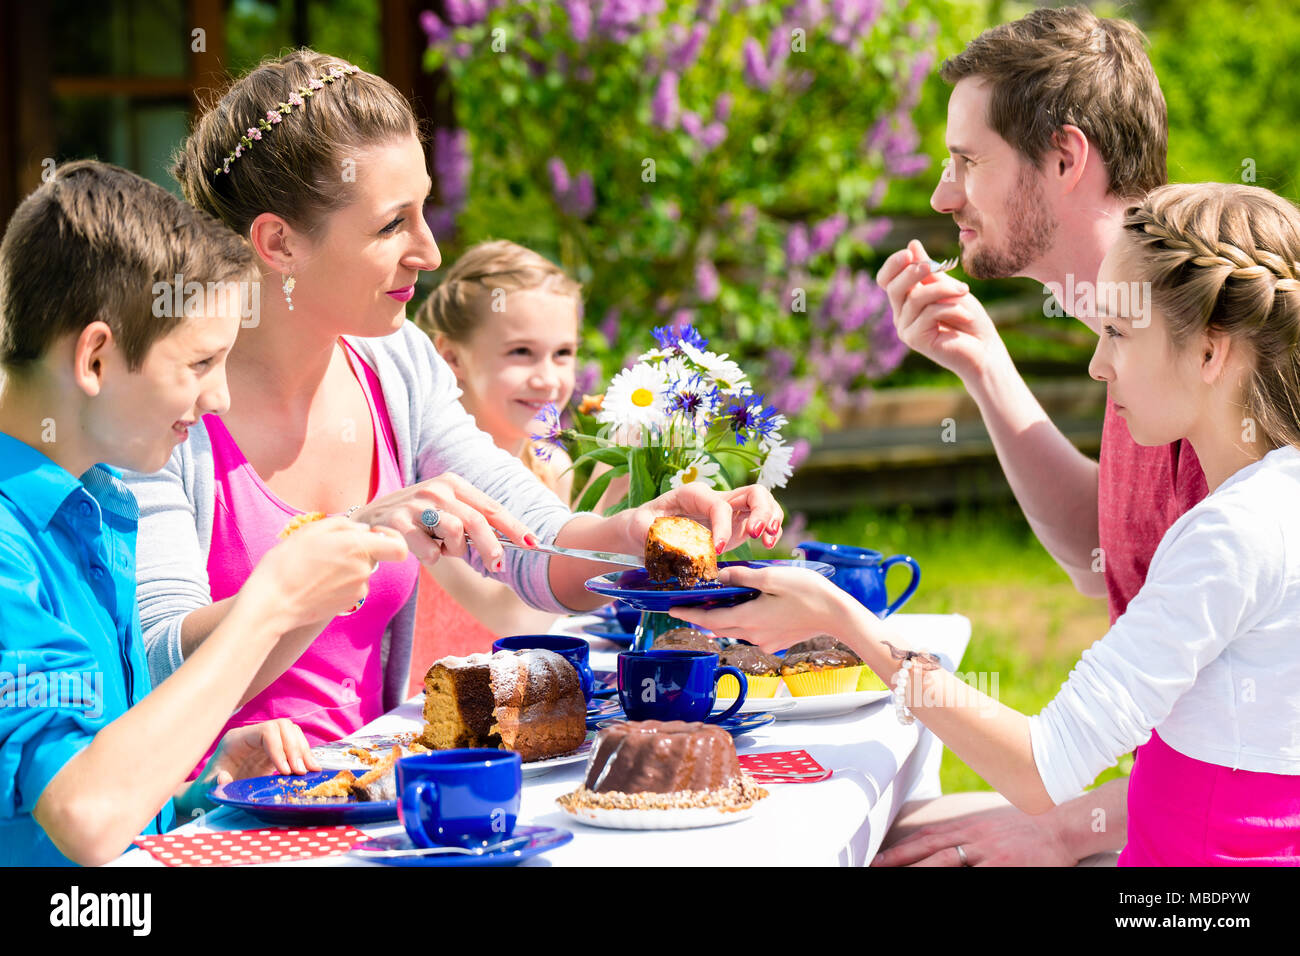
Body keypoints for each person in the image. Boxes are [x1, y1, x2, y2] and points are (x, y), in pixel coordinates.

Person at [127, 50, 782, 767]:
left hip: (369, 795)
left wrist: (634, 530)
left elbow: (532, 549)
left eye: (425, 211)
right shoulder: (169, 401)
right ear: (279, 243)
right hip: (209, 816)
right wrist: (354, 539)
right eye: (391, 226)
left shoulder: (395, 363)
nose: (430, 252)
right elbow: (156, 663)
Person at [676, 182, 1300, 866]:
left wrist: (847, 624)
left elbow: (1041, 766)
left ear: (1210, 353)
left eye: (1118, 333)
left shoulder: (1231, 537)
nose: (1097, 365)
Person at [0, 161, 407, 865]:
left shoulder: (96, 506)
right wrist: (270, 604)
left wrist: (194, 786)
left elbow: (100, 782)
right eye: (198, 364)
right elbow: (84, 818)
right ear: (96, 358)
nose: (218, 398)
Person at [870, 6, 1197, 866]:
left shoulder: (1212, 346)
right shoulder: (1129, 327)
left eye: (967, 162)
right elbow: (1107, 556)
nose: (943, 196)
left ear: (1064, 157)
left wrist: (1064, 827)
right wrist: (984, 366)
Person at [407, 239, 583, 684]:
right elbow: (517, 620)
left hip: (512, 707)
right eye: (521, 352)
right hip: (425, 717)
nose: (547, 378)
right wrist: (610, 499)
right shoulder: (428, 481)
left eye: (563, 353)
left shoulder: (550, 465)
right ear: (451, 358)